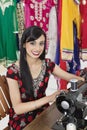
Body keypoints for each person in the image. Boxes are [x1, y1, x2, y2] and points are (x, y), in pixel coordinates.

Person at [6, 26, 84, 130]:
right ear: (24, 44)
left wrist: (83, 79)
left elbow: (69, 77)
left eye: (41, 43)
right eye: (32, 43)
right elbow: (18, 109)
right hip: (22, 118)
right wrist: (49, 98)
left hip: (43, 112)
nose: (37, 48)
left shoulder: (47, 64)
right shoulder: (13, 71)